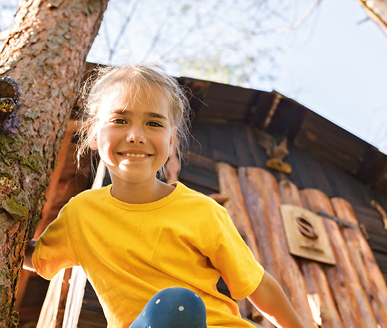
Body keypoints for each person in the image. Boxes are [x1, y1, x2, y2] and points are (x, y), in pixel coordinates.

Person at [24, 65, 307, 328]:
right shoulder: (80, 215)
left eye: (154, 124)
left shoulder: (202, 212)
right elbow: (33, 257)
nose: (136, 135)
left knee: (177, 305)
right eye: (120, 120)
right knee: (174, 305)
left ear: (171, 141)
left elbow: (259, 286)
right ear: (94, 135)